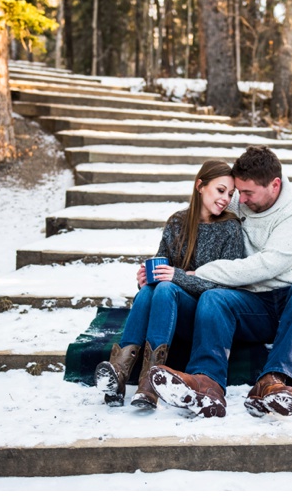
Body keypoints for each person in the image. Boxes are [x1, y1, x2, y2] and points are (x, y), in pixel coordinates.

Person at [148, 145, 292, 418]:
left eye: (247, 193)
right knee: (214, 298)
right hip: (253, 305)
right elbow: (208, 209)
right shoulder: (240, 199)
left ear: (275, 185)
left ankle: (274, 382)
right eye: (238, 192)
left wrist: (201, 274)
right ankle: (207, 383)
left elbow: (266, 265)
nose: (240, 200)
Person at [94, 160, 245, 409]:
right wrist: (145, 278)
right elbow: (162, 266)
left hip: (203, 315)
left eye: (230, 194)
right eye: (220, 190)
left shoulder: (230, 228)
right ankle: (119, 373)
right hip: (168, 307)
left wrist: (177, 277)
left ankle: (149, 383)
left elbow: (226, 290)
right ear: (200, 186)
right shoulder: (177, 222)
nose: (226, 199)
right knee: (150, 290)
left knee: (166, 288)